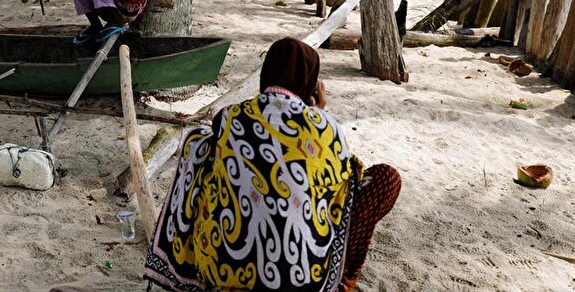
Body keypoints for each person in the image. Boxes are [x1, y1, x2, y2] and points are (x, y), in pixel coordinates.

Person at [144, 38, 401, 292]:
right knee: (385, 178)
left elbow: (225, 131)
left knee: (199, 146)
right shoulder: (325, 126)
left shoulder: (230, 116)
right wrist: (320, 113)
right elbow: (342, 186)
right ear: (310, 83)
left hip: (227, 269)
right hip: (303, 279)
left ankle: (191, 270)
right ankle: (343, 280)